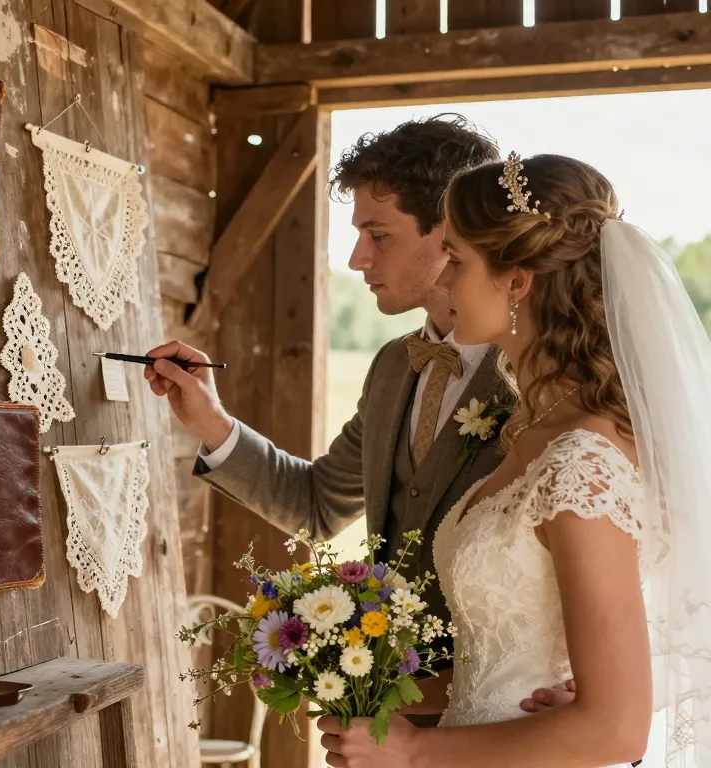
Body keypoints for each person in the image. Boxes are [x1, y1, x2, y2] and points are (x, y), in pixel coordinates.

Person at [145, 117, 571, 718]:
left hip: (509, 716)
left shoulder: (543, 381)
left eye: (378, 235)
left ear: (450, 230)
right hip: (385, 718)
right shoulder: (393, 367)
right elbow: (318, 506)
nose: (355, 258)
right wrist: (210, 422)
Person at [317, 152, 711, 767]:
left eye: (459, 261)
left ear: (517, 281)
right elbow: (500, 666)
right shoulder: (530, 431)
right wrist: (364, 697)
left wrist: (417, 751)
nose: (443, 281)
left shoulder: (580, 462)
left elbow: (615, 730)